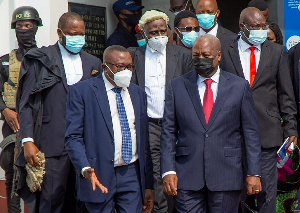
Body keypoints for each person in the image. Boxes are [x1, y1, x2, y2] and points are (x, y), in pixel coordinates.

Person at [161, 34, 262, 213]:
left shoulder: (239, 86)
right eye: (196, 56)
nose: (201, 60)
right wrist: (168, 170)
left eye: (206, 56)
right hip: (187, 176)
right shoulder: (176, 86)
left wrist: (253, 172)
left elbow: (250, 133)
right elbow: (168, 132)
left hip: (226, 174)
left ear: (219, 56)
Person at [16, 12, 102, 213]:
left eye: (81, 34)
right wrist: (27, 140)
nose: (78, 38)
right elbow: (27, 102)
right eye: (72, 34)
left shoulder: (93, 63)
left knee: (82, 200)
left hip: (85, 146)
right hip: (52, 143)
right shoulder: (42, 60)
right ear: (59, 32)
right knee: (52, 200)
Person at [220, 7, 298, 213]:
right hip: (233, 134)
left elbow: (285, 93)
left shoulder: (277, 52)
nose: (261, 31)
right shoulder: (225, 50)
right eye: (255, 27)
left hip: (268, 133)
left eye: (263, 26)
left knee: (267, 193)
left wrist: (291, 128)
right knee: (237, 194)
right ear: (241, 27)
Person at [65, 45, 154, 213]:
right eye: (120, 66)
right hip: (97, 173)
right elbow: (73, 137)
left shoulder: (138, 93)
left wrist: (148, 184)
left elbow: (144, 142)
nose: (126, 71)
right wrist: (84, 168)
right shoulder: (82, 92)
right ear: (105, 67)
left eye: (129, 66)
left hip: (131, 173)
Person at [129, 9, 193, 213]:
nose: (159, 36)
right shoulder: (134, 56)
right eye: (153, 33)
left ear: (169, 31)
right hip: (151, 125)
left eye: (162, 31)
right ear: (144, 35)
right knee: (157, 173)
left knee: (182, 168)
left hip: (179, 124)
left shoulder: (183, 55)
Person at [0, 6, 42, 213]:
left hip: (38, 122)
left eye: (28, 25)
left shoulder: (44, 58)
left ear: (36, 27)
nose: (24, 29)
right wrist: (4, 111)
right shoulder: (5, 62)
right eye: (19, 26)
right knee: (11, 171)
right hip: (13, 125)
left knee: (38, 170)